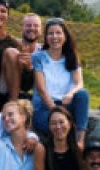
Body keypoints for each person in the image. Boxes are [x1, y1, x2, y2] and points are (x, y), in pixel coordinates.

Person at [32, 18, 89, 146]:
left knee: (83, 94)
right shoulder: (38, 57)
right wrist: (56, 113)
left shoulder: (71, 56)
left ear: (65, 36)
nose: (54, 37)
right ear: (46, 37)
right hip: (45, 107)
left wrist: (70, 93)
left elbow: (79, 83)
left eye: (58, 33)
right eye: (50, 33)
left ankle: (80, 140)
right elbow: (41, 89)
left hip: (66, 103)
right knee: (59, 126)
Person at [1, 13, 42, 101]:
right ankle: (13, 101)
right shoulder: (10, 43)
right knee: (11, 52)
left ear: (40, 30)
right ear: (22, 28)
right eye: (28, 25)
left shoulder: (43, 51)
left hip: (31, 96)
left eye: (36, 26)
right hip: (6, 95)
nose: (32, 28)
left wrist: (29, 68)